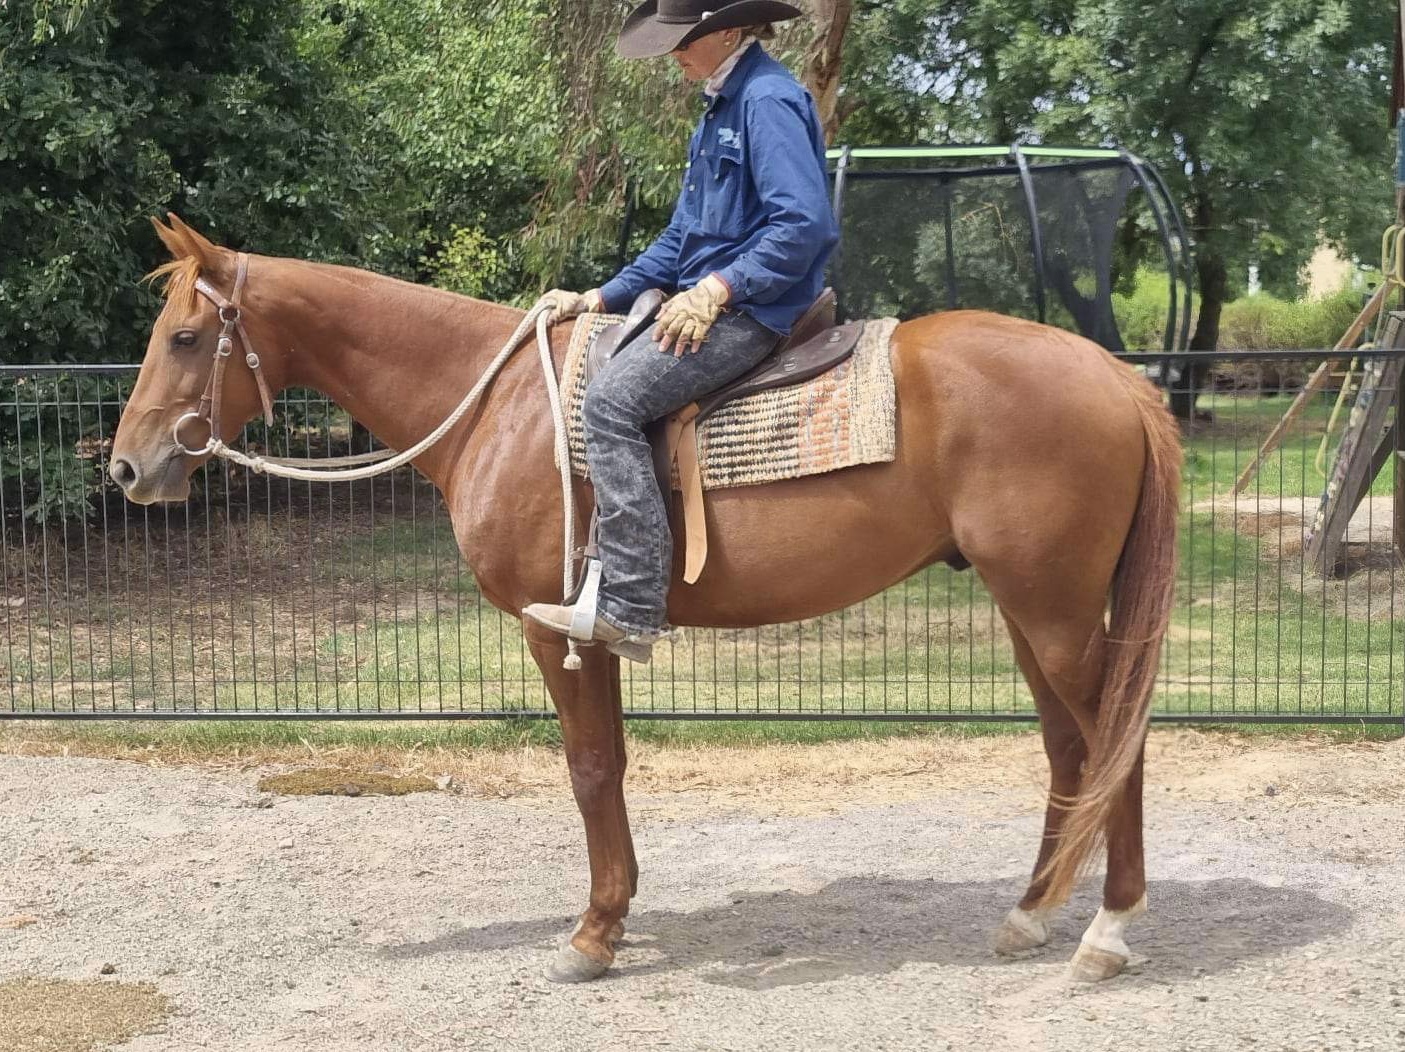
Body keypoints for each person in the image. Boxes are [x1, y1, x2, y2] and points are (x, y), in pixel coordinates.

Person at [525, 0, 839, 660]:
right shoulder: (721, 104)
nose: (674, 54)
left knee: (610, 404)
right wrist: (597, 296)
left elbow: (803, 225)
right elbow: (681, 240)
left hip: (753, 310)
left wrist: (717, 289)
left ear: (729, 30)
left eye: (685, 39)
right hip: (716, 301)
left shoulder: (766, 99)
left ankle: (631, 606)